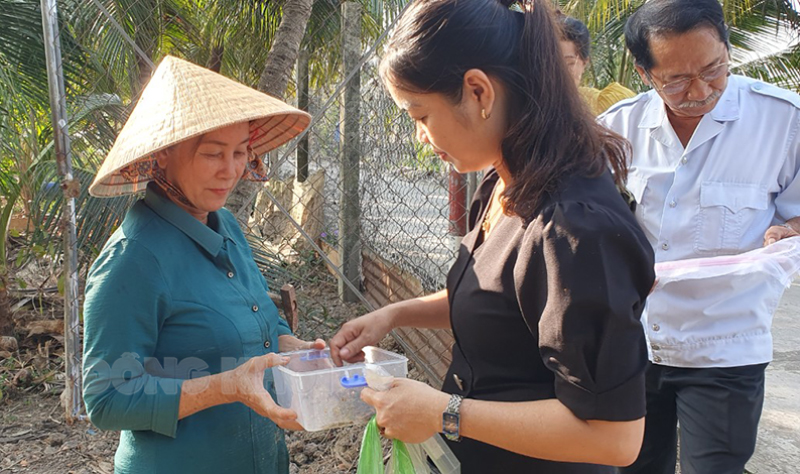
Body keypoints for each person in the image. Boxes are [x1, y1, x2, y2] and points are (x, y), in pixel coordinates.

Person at [329, 0, 656, 472]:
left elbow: (614, 437)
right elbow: (500, 299)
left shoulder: (575, 229)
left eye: (421, 115)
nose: (421, 136)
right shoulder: (505, 181)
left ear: (478, 91)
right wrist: (393, 314)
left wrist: (447, 413)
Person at [82, 56, 324, 474]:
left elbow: (258, 320)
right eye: (213, 154)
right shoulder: (133, 260)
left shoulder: (225, 224)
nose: (230, 171)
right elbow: (106, 399)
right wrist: (226, 387)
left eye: (240, 153)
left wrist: (294, 351)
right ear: (161, 155)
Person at [598, 1, 800, 473]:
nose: (701, 90)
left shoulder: (784, 123)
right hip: (637, 340)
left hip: (726, 344)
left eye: (714, 70)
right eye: (677, 80)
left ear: (728, 50)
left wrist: (787, 231)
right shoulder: (617, 130)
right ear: (646, 73)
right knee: (635, 465)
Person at [558, 14, 636, 115]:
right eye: (548, 63)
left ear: (585, 63)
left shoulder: (609, 106)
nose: (558, 71)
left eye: (569, 63)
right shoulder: (533, 110)